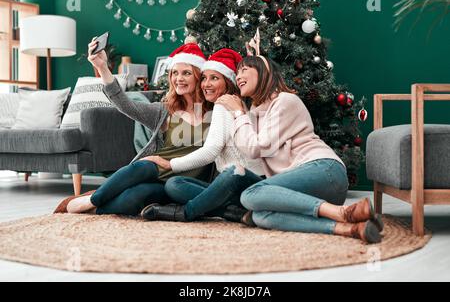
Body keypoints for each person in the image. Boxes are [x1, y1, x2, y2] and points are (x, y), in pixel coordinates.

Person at [216, 55, 383, 243]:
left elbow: (255, 148)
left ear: (265, 73)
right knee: (260, 216)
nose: (238, 76)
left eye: (244, 70)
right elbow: (249, 153)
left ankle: (341, 212)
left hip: (324, 169)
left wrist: (238, 113)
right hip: (306, 191)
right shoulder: (255, 114)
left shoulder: (285, 101)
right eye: (237, 72)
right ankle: (348, 227)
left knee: (250, 195)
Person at [55, 41, 214, 216]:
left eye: (186, 73)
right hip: (157, 174)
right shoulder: (164, 110)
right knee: (141, 169)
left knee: (135, 198)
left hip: (182, 184)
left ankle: (96, 208)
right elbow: (126, 105)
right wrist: (102, 67)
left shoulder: (216, 113)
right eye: (175, 73)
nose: (179, 78)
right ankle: (91, 201)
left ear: (198, 77)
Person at [139, 48, 264, 223]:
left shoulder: (223, 104)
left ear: (228, 81)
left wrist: (170, 164)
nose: (206, 84)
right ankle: (232, 212)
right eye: (204, 78)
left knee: (175, 185)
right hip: (235, 184)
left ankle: (184, 213)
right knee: (175, 184)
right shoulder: (234, 102)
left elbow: (210, 151)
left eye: (214, 78)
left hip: (242, 182)